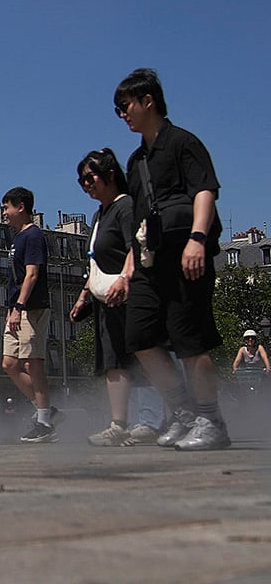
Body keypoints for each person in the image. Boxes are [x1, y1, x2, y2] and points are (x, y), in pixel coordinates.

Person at [114, 67, 229, 450]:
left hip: (184, 253)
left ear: (148, 101)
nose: (122, 114)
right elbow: (140, 218)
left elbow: (204, 191)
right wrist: (129, 268)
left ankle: (211, 421)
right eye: (118, 109)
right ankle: (184, 413)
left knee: (189, 340)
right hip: (149, 260)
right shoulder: (136, 161)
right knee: (140, 336)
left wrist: (197, 238)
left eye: (126, 106)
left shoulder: (183, 143)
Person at [70, 148, 158, 446]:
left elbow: (136, 246)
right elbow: (96, 260)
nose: (86, 184)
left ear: (110, 174)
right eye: (82, 180)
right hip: (106, 299)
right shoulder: (99, 215)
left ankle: (150, 421)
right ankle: (118, 424)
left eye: (90, 177)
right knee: (114, 361)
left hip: (131, 295)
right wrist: (83, 296)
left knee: (141, 357)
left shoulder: (126, 207)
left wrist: (124, 278)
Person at [0, 186, 59, 444]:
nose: (4, 213)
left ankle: (44, 422)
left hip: (31, 308)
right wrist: (11, 309)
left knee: (32, 363)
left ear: (21, 207)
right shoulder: (17, 238)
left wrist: (19, 307)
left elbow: (32, 274)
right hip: (17, 308)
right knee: (9, 364)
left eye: (6, 208)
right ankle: (45, 409)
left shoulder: (33, 235)